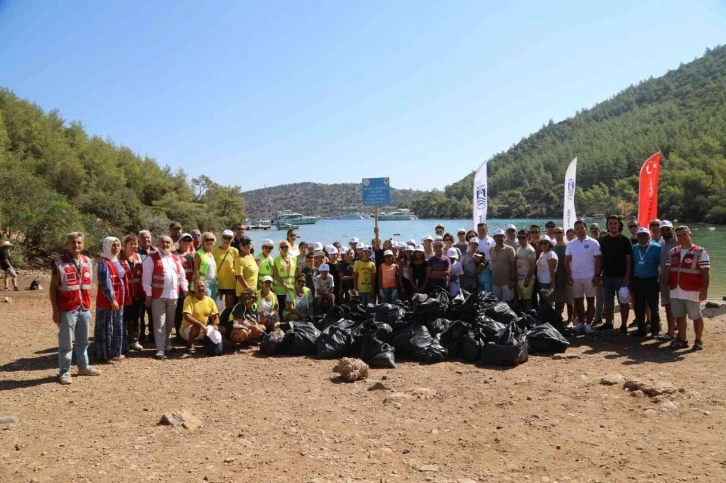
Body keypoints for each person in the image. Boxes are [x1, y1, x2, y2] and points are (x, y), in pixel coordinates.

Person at [50, 232, 101, 384]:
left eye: (79, 242)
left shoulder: (87, 261)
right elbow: (53, 287)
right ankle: (65, 371)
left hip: (84, 307)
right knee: (66, 343)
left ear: (83, 244)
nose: (76, 245)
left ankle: (83, 366)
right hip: (67, 308)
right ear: (67, 244)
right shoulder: (58, 262)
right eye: (73, 242)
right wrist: (55, 310)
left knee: (83, 341)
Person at [142, 235, 188, 359]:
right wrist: (149, 295)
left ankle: (167, 343)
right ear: (158, 243)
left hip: (173, 295)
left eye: (168, 242)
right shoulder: (151, 259)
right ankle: (160, 349)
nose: (165, 244)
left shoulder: (175, 258)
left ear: (172, 244)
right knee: (159, 322)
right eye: (162, 242)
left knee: (169, 322)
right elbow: (146, 279)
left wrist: (185, 289)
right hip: (158, 296)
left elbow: (182, 275)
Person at [664, 226, 710, 350]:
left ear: (690, 234)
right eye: (678, 236)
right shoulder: (673, 251)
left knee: (696, 316)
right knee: (679, 315)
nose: (682, 238)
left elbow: (706, 272)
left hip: (693, 290)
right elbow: (668, 271)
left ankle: (698, 340)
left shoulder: (700, 251)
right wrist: (664, 287)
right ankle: (682, 339)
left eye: (684, 235)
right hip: (675, 289)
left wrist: (704, 289)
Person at [94, 236, 131, 362]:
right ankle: (106, 353)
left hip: (119, 299)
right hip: (108, 301)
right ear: (107, 246)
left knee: (116, 326)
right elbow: (105, 284)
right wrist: (112, 299)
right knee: (107, 326)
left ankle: (116, 351)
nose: (116, 248)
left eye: (118, 245)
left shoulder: (116, 261)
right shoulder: (103, 263)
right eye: (113, 245)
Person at [565, 220, 602, 333]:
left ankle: (589, 325)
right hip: (576, 277)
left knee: (591, 301)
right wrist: (568, 275)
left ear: (585, 229)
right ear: (574, 230)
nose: (579, 230)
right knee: (578, 301)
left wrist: (597, 275)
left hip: (590, 276)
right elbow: (566, 261)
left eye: (581, 227)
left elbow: (599, 261)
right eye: (577, 228)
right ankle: (581, 322)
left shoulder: (593, 242)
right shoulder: (571, 243)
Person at [597, 215, 632, 333]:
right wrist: (599, 274)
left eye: (615, 223)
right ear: (607, 225)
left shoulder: (625, 240)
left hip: (621, 277)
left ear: (619, 225)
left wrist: (627, 277)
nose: (612, 225)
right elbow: (601, 259)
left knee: (623, 301)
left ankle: (623, 325)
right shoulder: (603, 240)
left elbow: (629, 260)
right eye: (610, 223)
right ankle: (608, 323)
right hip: (607, 276)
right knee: (608, 301)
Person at [631, 227, 662, 337]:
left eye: (645, 235)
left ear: (649, 236)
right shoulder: (634, 248)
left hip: (651, 280)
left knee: (653, 307)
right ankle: (641, 330)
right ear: (637, 237)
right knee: (639, 306)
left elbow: (662, 265)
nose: (642, 238)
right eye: (640, 236)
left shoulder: (657, 248)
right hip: (638, 281)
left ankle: (655, 330)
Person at [118, 235, 144, 352]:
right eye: (130, 244)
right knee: (124, 319)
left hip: (137, 293)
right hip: (124, 294)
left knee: (135, 318)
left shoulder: (139, 257)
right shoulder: (119, 258)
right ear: (125, 246)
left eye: (135, 244)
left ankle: (134, 340)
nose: (133, 246)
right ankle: (123, 342)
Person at [180, 280, 220, 354]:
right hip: (187, 329)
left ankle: (203, 341)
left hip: (203, 328)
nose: (201, 288)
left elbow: (216, 317)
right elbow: (186, 316)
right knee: (196, 327)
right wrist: (201, 325)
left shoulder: (210, 300)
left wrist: (215, 325)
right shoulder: (189, 299)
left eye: (202, 286)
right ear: (194, 289)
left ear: (205, 288)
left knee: (220, 329)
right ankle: (189, 345)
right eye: (198, 287)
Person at [656, 220, 679, 342]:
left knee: (679, 307)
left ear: (672, 229)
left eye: (667, 229)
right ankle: (671, 331)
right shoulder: (662, 244)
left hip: (678, 280)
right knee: (668, 307)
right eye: (663, 229)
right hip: (665, 280)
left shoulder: (680, 241)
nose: (665, 231)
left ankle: (678, 331)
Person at [172, 233, 195, 343]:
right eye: (184, 241)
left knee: (188, 312)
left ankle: (188, 334)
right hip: (177, 289)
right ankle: (179, 335)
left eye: (188, 241)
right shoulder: (173, 255)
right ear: (179, 242)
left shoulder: (192, 256)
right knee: (178, 313)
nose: (186, 243)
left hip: (189, 289)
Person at [137, 229, 157, 342]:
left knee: (152, 313)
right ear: (139, 239)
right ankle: (140, 336)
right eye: (143, 237)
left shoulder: (156, 251)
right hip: (139, 288)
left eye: (148, 237)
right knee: (140, 314)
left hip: (153, 287)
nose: (146, 239)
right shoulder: (135, 252)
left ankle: (153, 335)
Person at [551, 227, 573, 324]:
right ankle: (558, 318)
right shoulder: (552, 248)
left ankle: (570, 320)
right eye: (556, 233)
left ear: (563, 234)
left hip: (568, 276)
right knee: (558, 299)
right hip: (557, 277)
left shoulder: (569, 246)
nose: (558, 234)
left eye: (560, 232)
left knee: (569, 300)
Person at [213, 230, 239, 309]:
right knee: (217, 307)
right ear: (222, 238)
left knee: (229, 308)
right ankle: (218, 321)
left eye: (229, 238)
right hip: (218, 283)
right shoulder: (215, 251)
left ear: (232, 239)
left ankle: (227, 321)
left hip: (230, 283)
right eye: (225, 237)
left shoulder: (234, 251)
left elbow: (237, 266)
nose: (227, 240)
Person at [489, 229, 516, 302]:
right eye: (497, 236)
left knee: (508, 303)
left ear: (504, 238)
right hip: (495, 281)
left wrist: (512, 280)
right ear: (494, 238)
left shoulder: (510, 249)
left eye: (501, 236)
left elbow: (513, 266)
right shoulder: (491, 249)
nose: (499, 238)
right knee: (497, 303)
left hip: (506, 281)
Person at [272, 240, 297, 317]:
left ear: (289, 247)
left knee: (291, 308)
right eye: (282, 247)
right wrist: (284, 284)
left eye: (286, 246)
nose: (284, 248)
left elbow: (296, 273)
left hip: (291, 288)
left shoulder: (294, 259)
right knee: (281, 308)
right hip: (280, 289)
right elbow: (275, 275)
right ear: (279, 248)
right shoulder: (275, 260)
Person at [515, 229, 536, 310]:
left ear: (528, 237)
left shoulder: (530, 250)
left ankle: (529, 316)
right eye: (519, 237)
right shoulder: (519, 248)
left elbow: (532, 266)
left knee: (527, 299)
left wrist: (527, 279)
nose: (521, 239)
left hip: (527, 279)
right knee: (522, 298)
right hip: (519, 278)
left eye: (523, 237)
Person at [193, 232, 217, 299]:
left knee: (212, 305)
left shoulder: (211, 254)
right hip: (205, 285)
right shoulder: (198, 254)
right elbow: (196, 270)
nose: (209, 241)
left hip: (214, 285)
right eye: (207, 240)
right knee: (205, 306)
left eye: (211, 240)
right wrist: (198, 285)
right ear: (202, 241)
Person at [234, 236, 259, 302]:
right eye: (244, 244)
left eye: (248, 243)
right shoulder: (239, 259)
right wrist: (249, 290)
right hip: (244, 293)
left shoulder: (251, 256)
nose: (247, 245)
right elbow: (239, 277)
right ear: (240, 246)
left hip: (253, 290)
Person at [536, 235, 558, 306]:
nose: (543, 244)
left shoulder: (551, 254)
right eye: (541, 243)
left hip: (547, 282)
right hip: (541, 281)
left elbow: (553, 271)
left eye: (546, 243)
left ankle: (551, 316)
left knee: (548, 303)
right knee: (543, 302)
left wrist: (553, 284)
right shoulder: (542, 253)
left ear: (549, 244)